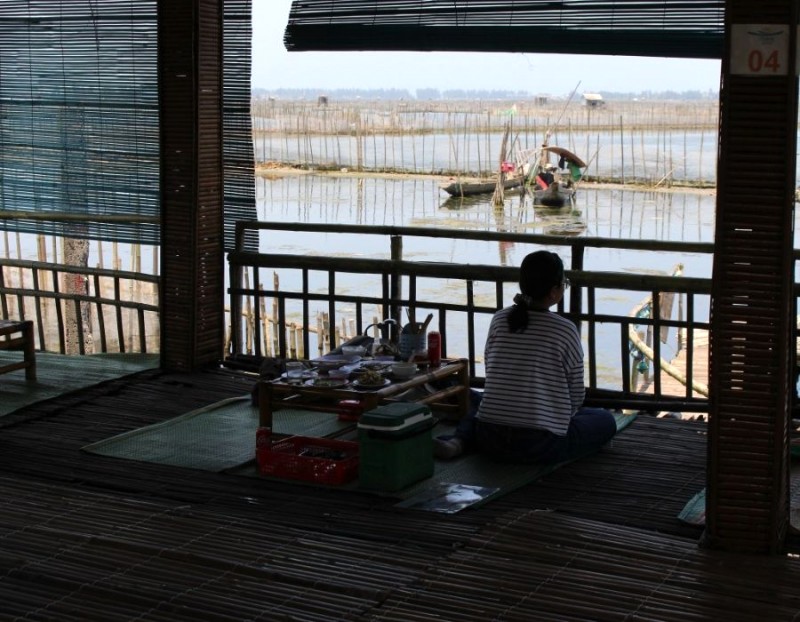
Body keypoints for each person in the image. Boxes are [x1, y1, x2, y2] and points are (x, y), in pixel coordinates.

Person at [434, 250, 617, 463]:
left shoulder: (500, 319)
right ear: (554, 291)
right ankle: (465, 441)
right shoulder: (565, 330)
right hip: (540, 445)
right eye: (563, 284)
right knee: (604, 419)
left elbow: (491, 369)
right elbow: (576, 395)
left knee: (480, 400)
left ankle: (459, 442)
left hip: (490, 439)